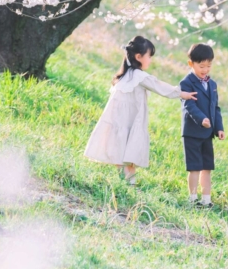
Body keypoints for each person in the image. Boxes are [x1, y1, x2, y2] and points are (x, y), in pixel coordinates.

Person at [84, 36, 197, 185]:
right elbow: (160, 86)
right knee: (130, 150)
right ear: (138, 57)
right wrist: (181, 93)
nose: (150, 60)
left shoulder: (125, 76)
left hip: (120, 119)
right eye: (149, 57)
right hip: (130, 120)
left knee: (121, 148)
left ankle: (122, 180)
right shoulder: (139, 76)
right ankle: (130, 182)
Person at [180, 43, 225, 208]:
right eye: (201, 66)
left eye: (209, 66)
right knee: (194, 167)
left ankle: (206, 199)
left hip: (207, 133)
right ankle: (192, 198)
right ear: (191, 63)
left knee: (207, 167)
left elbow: (216, 108)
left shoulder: (212, 85)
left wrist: (218, 127)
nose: (205, 70)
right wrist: (201, 119)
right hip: (192, 132)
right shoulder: (186, 83)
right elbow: (188, 105)